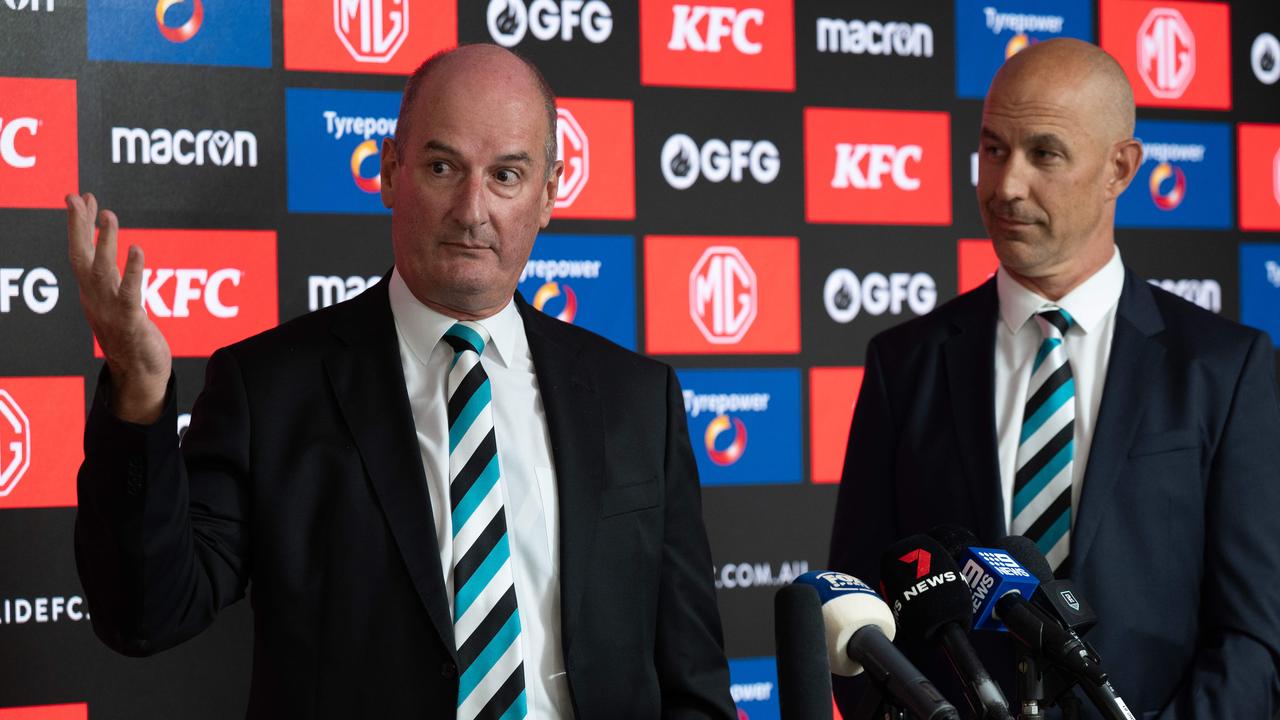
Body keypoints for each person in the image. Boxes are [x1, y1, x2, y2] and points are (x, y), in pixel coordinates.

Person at [69, 44, 735, 719]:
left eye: (506, 175)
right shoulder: (269, 389)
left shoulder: (637, 400)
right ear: (391, 171)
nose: (473, 210)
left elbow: (693, 681)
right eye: (444, 168)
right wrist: (138, 392)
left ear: (548, 195)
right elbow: (146, 613)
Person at [829, 38, 1280, 718]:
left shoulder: (1224, 367)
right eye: (993, 149)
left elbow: (1254, 635)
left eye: (1044, 154)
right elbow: (858, 619)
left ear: (1119, 168)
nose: (1007, 185)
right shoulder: (905, 363)